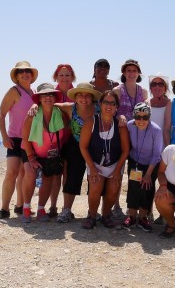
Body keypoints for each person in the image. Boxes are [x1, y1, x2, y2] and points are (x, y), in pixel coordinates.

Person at [0, 61, 38, 219]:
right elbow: (1, 113)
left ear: (32, 75)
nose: (25, 74)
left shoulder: (35, 92)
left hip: (30, 139)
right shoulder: (13, 91)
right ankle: (4, 209)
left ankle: (20, 206)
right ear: (17, 76)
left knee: (25, 173)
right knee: (12, 172)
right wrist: (4, 136)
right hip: (15, 138)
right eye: (21, 72)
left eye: (27, 71)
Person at [79, 90, 130, 229]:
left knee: (114, 188)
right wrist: (93, 169)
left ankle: (106, 215)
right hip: (95, 162)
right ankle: (92, 215)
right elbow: (83, 147)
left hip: (114, 164)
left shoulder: (120, 126)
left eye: (112, 103)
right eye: (106, 102)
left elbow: (126, 150)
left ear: (116, 107)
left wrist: (118, 170)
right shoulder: (91, 122)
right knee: (96, 185)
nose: (109, 106)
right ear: (100, 104)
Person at [56, 83, 101, 223]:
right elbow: (53, 105)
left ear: (92, 98)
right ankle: (66, 210)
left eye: (87, 95)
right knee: (72, 177)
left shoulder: (99, 109)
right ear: (75, 97)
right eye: (80, 95)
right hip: (75, 145)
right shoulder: (70, 108)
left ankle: (92, 211)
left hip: (95, 147)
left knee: (94, 178)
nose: (83, 98)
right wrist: (35, 106)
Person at [21, 83, 66, 222]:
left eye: (51, 94)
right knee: (30, 174)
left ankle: (41, 209)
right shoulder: (32, 114)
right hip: (30, 151)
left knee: (47, 179)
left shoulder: (60, 114)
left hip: (50, 155)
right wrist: (31, 157)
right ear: (39, 99)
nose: (48, 97)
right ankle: (26, 208)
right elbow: (25, 137)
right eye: (44, 95)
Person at [112, 59, 148, 218]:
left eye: (134, 71)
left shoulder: (144, 92)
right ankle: (116, 205)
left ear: (139, 73)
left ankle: (133, 206)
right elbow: (110, 108)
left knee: (135, 173)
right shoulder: (117, 90)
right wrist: (119, 115)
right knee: (118, 172)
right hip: (120, 137)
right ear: (124, 73)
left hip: (137, 139)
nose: (131, 73)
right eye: (128, 71)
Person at [121, 102, 162, 232]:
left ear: (149, 117)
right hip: (135, 162)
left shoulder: (156, 130)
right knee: (133, 187)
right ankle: (132, 216)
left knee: (146, 189)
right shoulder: (129, 125)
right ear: (134, 116)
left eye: (145, 117)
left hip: (151, 164)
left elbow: (157, 155)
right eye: (138, 117)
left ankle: (143, 218)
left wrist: (148, 174)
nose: (141, 120)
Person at [47, 64, 76, 218]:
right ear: (56, 77)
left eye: (67, 75)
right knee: (55, 174)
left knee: (67, 173)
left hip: (71, 139)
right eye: (61, 75)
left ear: (72, 77)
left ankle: (66, 208)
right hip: (54, 139)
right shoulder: (51, 93)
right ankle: (52, 207)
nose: (64, 78)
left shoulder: (76, 93)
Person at [147, 73, 171, 224]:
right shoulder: (146, 102)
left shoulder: (169, 103)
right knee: (148, 182)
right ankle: (147, 212)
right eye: (153, 84)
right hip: (147, 149)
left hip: (162, 148)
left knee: (164, 182)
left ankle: (163, 213)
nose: (157, 87)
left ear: (165, 87)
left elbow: (166, 128)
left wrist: (168, 150)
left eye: (160, 84)